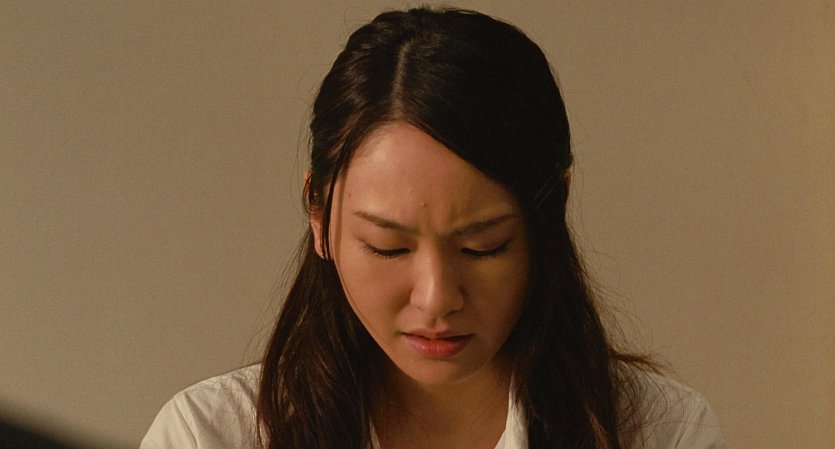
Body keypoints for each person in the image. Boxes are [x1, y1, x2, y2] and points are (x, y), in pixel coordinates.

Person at [140, 6, 724, 449]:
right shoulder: (209, 435)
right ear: (318, 214)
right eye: (387, 247)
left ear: (552, 213)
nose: (438, 298)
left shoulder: (661, 431)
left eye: (483, 246)